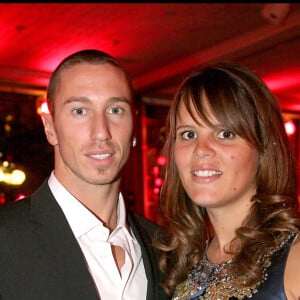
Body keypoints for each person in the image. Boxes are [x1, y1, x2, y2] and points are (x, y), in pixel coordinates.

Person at [0, 49, 170, 300]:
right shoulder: (6, 240)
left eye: (115, 110)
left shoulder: (165, 250)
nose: (101, 132)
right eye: (80, 111)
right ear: (50, 127)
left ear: (133, 126)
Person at [156, 62, 300, 299]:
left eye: (225, 134)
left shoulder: (293, 260)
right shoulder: (182, 266)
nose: (201, 150)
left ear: (262, 148)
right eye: (188, 134)